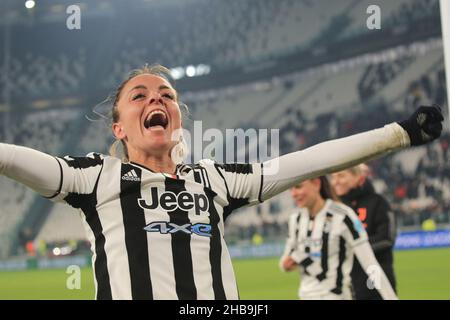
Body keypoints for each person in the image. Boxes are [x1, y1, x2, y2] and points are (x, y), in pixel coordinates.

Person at [0, 64, 444, 300]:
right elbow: (18, 160)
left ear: (177, 119)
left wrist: (397, 134)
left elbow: (306, 161)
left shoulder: (214, 180)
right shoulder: (96, 177)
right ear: (119, 129)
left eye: (167, 95)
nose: (156, 97)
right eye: (140, 95)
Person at [279, 177, 397, 300]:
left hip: (336, 296)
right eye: (290, 189)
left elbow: (370, 262)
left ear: (316, 184)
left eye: (298, 187)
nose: (293, 194)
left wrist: (390, 297)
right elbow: (286, 258)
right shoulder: (295, 220)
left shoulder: (343, 215)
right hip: (305, 295)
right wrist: (287, 263)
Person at [331, 164, 397, 300]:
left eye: (341, 176)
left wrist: (354, 249)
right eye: (333, 177)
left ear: (359, 178)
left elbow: (386, 238)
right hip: (343, 281)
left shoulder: (378, 202)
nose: (335, 181)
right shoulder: (333, 208)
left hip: (375, 279)